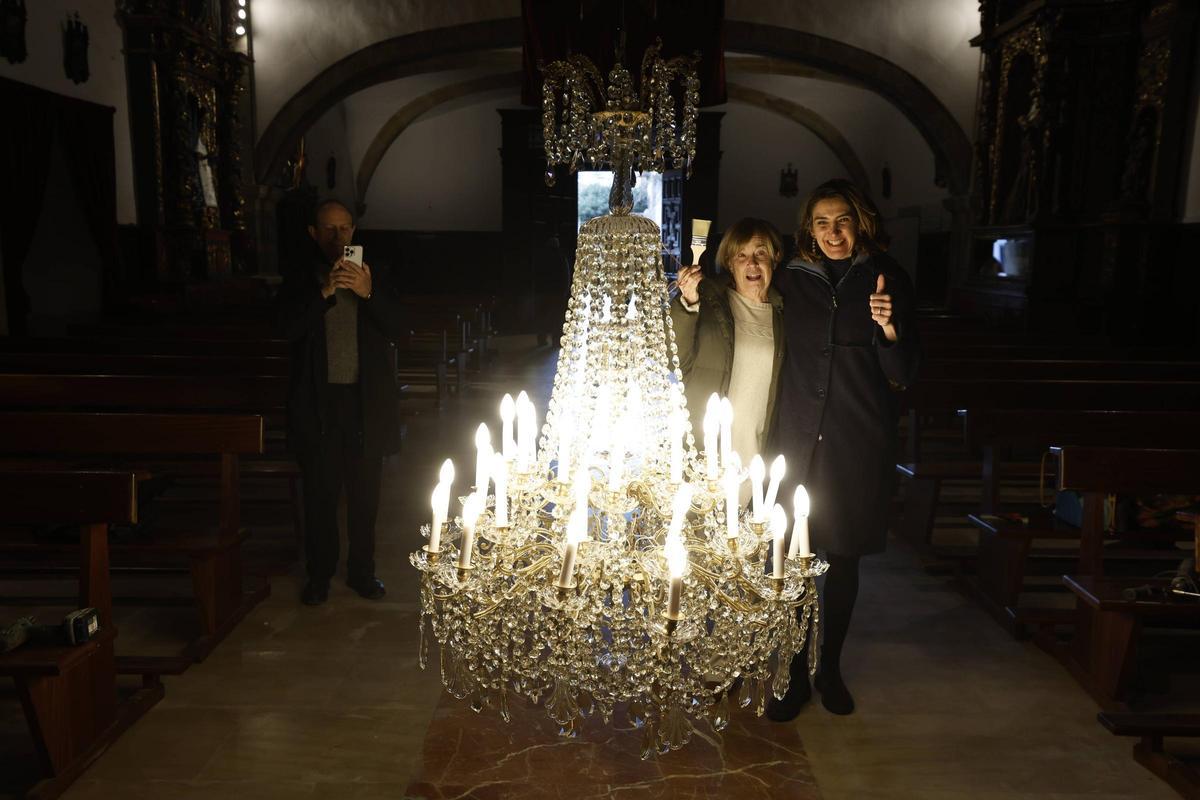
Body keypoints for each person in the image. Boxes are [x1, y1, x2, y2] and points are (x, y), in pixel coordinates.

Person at [767, 179, 920, 719]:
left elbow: (904, 373)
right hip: (796, 436)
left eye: (843, 221)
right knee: (791, 560)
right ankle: (792, 673)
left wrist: (888, 328)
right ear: (809, 229)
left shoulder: (888, 276)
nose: (833, 233)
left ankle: (829, 668)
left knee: (843, 558)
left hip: (856, 439)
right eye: (822, 223)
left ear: (861, 222)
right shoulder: (789, 276)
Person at [276, 199, 406, 606]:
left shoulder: (375, 273)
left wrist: (368, 293)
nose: (339, 237)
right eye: (330, 229)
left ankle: (363, 573)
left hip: (365, 402)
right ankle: (319, 575)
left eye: (345, 228)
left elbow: (401, 328)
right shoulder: (299, 277)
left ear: (354, 230)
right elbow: (286, 330)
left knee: (365, 497)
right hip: (318, 404)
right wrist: (324, 292)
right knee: (320, 496)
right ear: (313, 233)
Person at [671, 217, 786, 472]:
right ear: (730, 263)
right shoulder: (707, 303)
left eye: (760, 253)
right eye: (741, 255)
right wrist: (687, 302)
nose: (752, 263)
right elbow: (674, 359)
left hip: (759, 454)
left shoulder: (785, 312)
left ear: (775, 258)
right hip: (704, 451)